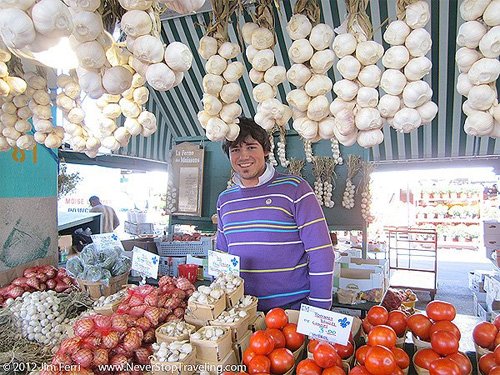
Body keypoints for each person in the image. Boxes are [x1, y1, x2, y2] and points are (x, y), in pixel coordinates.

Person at [215, 117, 334, 312]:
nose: (243, 156)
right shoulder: (225, 200)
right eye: (235, 149)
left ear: (266, 150)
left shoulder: (295, 189)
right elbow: (222, 256)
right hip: (242, 313)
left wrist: (319, 311)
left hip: (291, 312)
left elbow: (321, 252)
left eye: (251, 147)